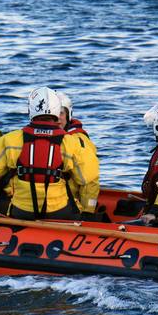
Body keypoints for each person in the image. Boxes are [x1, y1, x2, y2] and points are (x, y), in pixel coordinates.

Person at [0, 87, 98, 220]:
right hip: (59, 210)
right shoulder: (71, 142)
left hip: (21, 210)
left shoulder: (10, 139)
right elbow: (87, 178)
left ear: (30, 110)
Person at [56, 91, 100, 219]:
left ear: (69, 115)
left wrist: (88, 212)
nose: (58, 118)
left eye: (61, 113)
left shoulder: (78, 140)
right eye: (54, 114)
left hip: (70, 204)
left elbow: (90, 180)